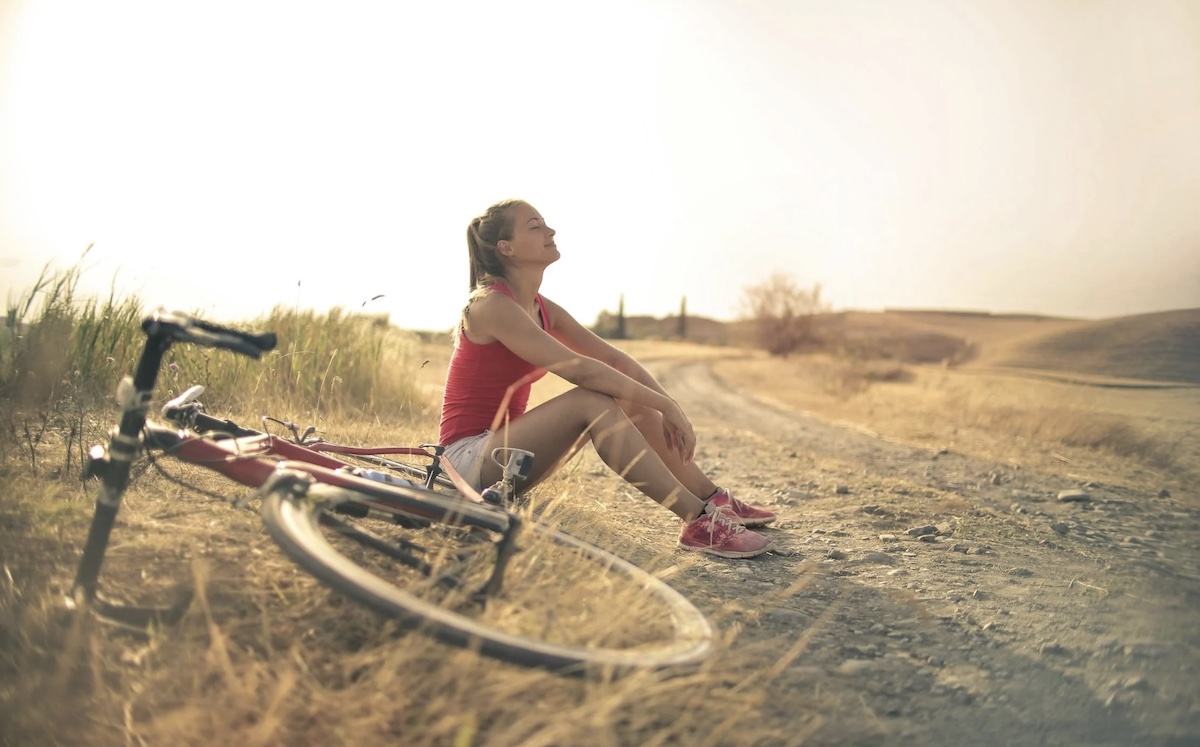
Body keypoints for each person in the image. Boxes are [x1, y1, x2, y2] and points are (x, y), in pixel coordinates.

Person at [438, 199, 775, 559]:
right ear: (506, 248)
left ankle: (712, 499)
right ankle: (698, 520)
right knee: (592, 399)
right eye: (535, 226)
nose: (550, 231)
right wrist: (663, 404)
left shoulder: (541, 307)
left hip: (507, 459)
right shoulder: (490, 305)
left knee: (628, 393)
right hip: (465, 462)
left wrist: (667, 405)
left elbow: (614, 359)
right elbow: (580, 368)